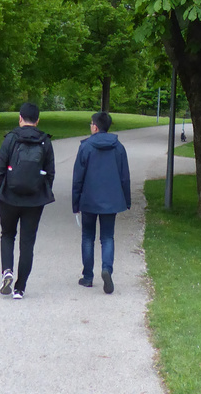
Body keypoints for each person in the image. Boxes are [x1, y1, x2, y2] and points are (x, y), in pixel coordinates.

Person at [0, 101, 55, 299]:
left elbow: (0, 168)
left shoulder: (10, 139)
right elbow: (50, 173)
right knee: (27, 243)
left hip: (9, 198)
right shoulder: (45, 141)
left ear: (20, 117)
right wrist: (42, 191)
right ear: (37, 120)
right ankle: (20, 288)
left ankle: (7, 271)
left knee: (7, 235)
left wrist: (0, 190)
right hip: (34, 201)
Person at [72, 111, 131, 294]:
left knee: (87, 237)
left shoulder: (86, 147)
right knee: (107, 237)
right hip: (111, 201)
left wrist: (76, 203)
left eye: (91, 124)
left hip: (89, 199)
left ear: (95, 127)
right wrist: (126, 200)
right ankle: (107, 269)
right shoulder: (118, 147)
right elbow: (124, 177)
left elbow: (78, 178)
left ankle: (88, 277)